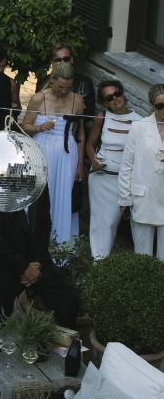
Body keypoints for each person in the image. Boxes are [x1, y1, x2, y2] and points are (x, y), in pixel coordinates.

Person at [0, 187, 80, 337]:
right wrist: (24, 268)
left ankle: (57, 348)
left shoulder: (38, 182)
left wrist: (36, 264)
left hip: (36, 261)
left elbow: (45, 224)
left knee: (67, 304)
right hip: (2, 265)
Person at [21, 61, 85, 242]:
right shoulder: (38, 98)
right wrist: (39, 128)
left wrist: (80, 164)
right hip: (42, 150)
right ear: (52, 79)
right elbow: (24, 126)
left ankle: (60, 243)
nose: (64, 91)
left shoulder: (78, 100)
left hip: (66, 153)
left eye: (68, 87)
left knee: (63, 195)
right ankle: (33, 240)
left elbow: (80, 132)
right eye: (60, 87)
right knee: (40, 193)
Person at [85, 80, 139, 259]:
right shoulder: (102, 117)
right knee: (102, 224)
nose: (115, 99)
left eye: (117, 93)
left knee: (122, 223)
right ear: (104, 102)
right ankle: (99, 263)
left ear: (123, 94)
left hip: (125, 181)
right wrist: (94, 161)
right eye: (109, 97)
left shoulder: (139, 120)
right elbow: (90, 144)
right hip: (101, 179)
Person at [118, 82, 164, 259]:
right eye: (160, 106)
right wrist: (124, 198)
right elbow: (126, 165)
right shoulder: (139, 127)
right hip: (143, 198)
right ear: (152, 105)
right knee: (142, 256)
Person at [39, 43, 96, 117]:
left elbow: (89, 113)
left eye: (66, 59)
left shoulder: (84, 81)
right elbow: (38, 107)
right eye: (58, 60)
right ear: (52, 62)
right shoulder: (43, 81)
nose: (62, 62)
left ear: (71, 59)